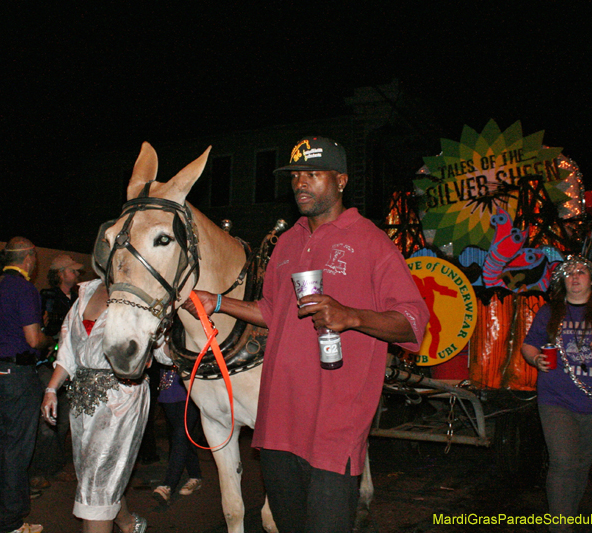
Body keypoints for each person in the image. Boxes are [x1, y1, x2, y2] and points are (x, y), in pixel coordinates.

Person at [183, 136, 429, 532]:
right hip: (278, 423)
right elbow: (273, 312)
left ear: (342, 180)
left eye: (314, 174)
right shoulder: (286, 243)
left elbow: (413, 319)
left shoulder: (371, 242)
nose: (301, 182)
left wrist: (351, 316)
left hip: (335, 426)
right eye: (297, 175)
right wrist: (219, 302)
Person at [521, 256, 592, 532]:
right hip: (556, 399)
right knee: (563, 461)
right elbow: (528, 346)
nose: (575, 277)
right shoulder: (550, 312)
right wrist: (536, 359)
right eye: (569, 273)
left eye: (581, 272)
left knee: (580, 465)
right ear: (562, 281)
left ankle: (566, 516)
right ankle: (561, 528)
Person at [41, 278, 147, 533]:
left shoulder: (140, 291)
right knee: (94, 474)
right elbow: (67, 350)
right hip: (82, 400)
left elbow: (161, 344)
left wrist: (149, 350)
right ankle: (128, 523)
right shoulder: (85, 293)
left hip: (121, 397)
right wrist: (51, 389)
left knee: (96, 480)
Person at [0, 237, 54, 533]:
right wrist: (48, 339)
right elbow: (34, 340)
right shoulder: (24, 289)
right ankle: (11, 522)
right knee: (17, 450)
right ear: (29, 258)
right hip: (17, 375)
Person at [30, 254, 84, 490]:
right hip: (49, 363)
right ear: (60, 273)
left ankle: (56, 466)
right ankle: (38, 470)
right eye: (72, 271)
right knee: (47, 421)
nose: (77, 274)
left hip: (72, 364)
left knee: (64, 420)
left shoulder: (80, 298)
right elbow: (39, 328)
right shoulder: (47, 297)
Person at [151, 365, 203, 505]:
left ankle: (168, 485)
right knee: (182, 437)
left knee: (180, 434)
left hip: (190, 387)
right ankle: (195, 475)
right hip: (169, 388)